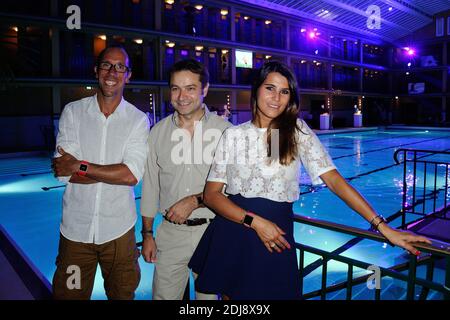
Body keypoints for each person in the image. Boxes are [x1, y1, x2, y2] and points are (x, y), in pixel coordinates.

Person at [188, 61, 431, 300]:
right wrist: (255, 222)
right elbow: (212, 195)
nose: (276, 98)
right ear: (256, 90)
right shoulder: (233, 135)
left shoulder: (295, 131)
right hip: (236, 228)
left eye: (285, 92)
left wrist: (382, 226)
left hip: (277, 236)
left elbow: (334, 180)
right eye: (270, 88)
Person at [51, 45, 150, 300]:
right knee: (68, 296)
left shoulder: (138, 120)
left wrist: (80, 165)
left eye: (120, 67)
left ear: (128, 75)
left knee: (121, 295)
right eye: (107, 65)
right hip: (75, 233)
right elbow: (64, 172)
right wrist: (106, 172)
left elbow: (130, 176)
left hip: (119, 232)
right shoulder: (73, 112)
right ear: (96, 70)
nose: (112, 72)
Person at [140, 59, 231, 300]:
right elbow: (150, 185)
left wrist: (195, 201)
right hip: (170, 234)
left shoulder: (226, 132)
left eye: (190, 88)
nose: (182, 96)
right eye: (175, 88)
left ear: (205, 90)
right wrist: (147, 234)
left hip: (212, 232)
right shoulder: (157, 133)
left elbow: (234, 187)